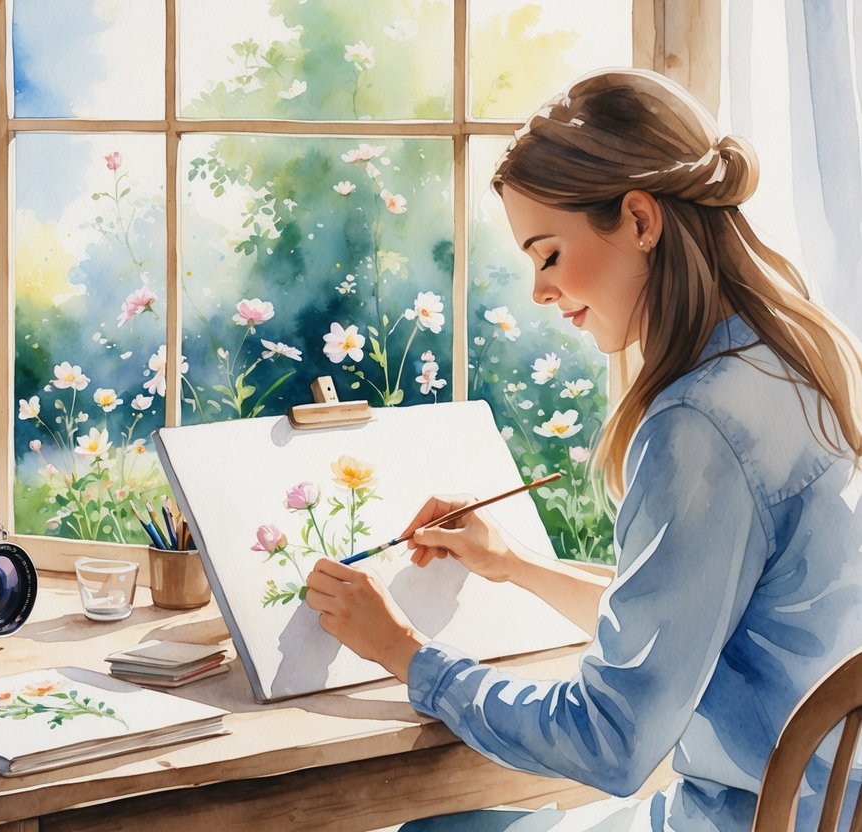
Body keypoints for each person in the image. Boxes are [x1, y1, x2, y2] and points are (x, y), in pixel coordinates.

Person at [305, 68, 862, 831]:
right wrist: (517, 565)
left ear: (638, 220)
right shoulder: (790, 364)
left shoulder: (697, 424)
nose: (538, 291)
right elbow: (695, 626)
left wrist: (404, 653)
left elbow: (610, 740)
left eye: (547, 255)